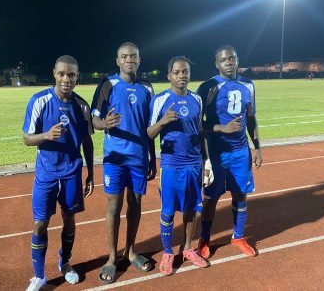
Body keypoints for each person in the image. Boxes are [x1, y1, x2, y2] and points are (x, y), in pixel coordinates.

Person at [22, 55, 94, 291]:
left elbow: (87, 142)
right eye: (62, 74)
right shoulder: (39, 101)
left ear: (77, 77)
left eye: (71, 75)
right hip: (47, 173)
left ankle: (65, 262)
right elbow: (26, 138)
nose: (66, 79)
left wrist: (91, 173)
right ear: (54, 73)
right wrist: (45, 136)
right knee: (40, 222)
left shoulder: (82, 105)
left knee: (69, 218)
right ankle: (39, 276)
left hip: (72, 171)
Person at [91, 42, 157, 284]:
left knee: (135, 204)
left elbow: (150, 127)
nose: (130, 60)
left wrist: (152, 156)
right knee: (113, 206)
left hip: (139, 157)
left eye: (134, 56)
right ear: (117, 60)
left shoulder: (147, 88)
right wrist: (105, 124)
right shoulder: (108, 84)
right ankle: (111, 257)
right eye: (124, 56)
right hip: (115, 159)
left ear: (139, 60)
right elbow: (94, 121)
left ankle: (130, 251)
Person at [147, 56, 212, 276]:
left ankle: (187, 249)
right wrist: (163, 121)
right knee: (167, 212)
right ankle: (167, 252)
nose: (182, 75)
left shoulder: (197, 99)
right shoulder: (160, 100)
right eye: (177, 72)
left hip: (194, 164)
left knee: (192, 209)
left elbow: (201, 131)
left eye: (185, 72)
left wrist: (207, 160)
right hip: (171, 164)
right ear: (169, 76)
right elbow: (148, 133)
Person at [197, 45, 262, 259]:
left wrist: (257, 147)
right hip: (216, 153)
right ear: (217, 63)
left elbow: (251, 118)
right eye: (224, 59)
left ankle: (238, 236)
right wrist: (219, 129)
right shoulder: (207, 87)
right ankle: (205, 239)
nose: (229, 62)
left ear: (237, 59)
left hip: (241, 151)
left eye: (232, 58)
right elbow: (197, 124)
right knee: (210, 199)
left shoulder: (248, 85)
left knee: (240, 194)